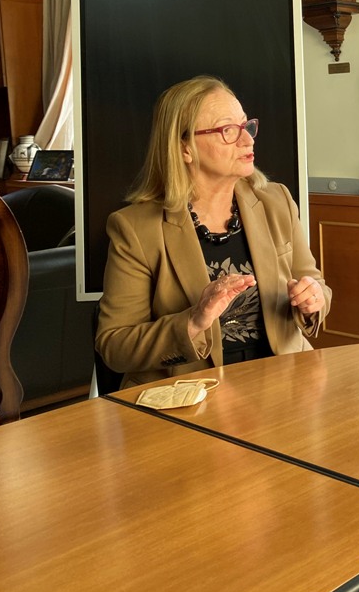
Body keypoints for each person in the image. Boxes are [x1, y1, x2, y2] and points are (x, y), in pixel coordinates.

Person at [96, 76, 331, 388]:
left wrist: (312, 298)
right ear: (185, 149)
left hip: (285, 382)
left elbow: (316, 285)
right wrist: (194, 321)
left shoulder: (277, 201)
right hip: (191, 392)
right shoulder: (134, 228)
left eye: (246, 126)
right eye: (228, 130)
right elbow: (115, 346)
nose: (247, 140)